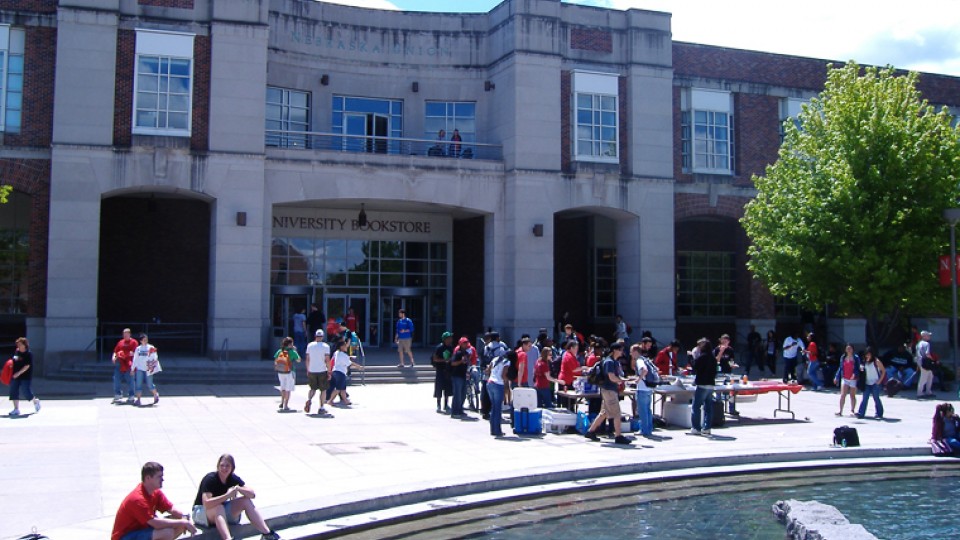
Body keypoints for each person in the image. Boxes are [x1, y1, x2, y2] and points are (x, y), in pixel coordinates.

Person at [193, 454, 280, 540]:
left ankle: (267, 534)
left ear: (232, 468)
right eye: (222, 465)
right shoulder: (210, 479)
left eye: (227, 466)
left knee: (245, 501)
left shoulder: (232, 478)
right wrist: (227, 495)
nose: (224, 468)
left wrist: (238, 488)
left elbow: (252, 494)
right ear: (218, 466)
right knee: (219, 507)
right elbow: (207, 504)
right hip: (201, 512)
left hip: (220, 512)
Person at [111, 461, 196, 540]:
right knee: (167, 533)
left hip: (142, 530)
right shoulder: (137, 499)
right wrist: (182, 522)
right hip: (125, 536)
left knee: (178, 521)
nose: (162, 479)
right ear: (148, 478)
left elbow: (170, 508)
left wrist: (184, 516)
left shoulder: (155, 492)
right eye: (159, 477)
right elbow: (156, 524)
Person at [583, 342, 632, 445]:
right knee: (617, 413)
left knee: (604, 413)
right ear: (614, 350)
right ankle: (618, 436)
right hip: (609, 390)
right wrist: (622, 380)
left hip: (608, 390)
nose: (622, 352)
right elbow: (611, 377)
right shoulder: (609, 362)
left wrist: (622, 379)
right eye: (620, 350)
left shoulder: (612, 361)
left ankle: (590, 431)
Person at [690, 338, 716, 436]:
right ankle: (707, 428)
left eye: (700, 346)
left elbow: (695, 366)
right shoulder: (713, 358)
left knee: (696, 407)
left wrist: (691, 357)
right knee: (708, 408)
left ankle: (696, 428)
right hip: (711, 384)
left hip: (702, 384)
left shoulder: (702, 357)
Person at [8, 337, 40, 416]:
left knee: (26, 391)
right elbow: (13, 361)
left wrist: (18, 373)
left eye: (20, 344)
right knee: (13, 391)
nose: (18, 346)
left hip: (25, 376)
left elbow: (27, 366)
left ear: (24, 345)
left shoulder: (28, 354)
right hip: (15, 375)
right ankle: (16, 409)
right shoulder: (17, 352)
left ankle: (35, 401)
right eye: (17, 344)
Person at [326, 339, 363, 407]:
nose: (347, 347)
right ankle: (330, 400)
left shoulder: (337, 352)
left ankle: (345, 400)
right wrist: (358, 366)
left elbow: (341, 358)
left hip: (335, 371)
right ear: (341, 347)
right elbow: (349, 363)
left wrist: (349, 357)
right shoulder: (343, 355)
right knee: (338, 389)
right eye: (345, 345)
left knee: (343, 388)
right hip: (341, 373)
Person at [480, 331, 508, 419]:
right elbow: (504, 359)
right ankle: (495, 412)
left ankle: (485, 411)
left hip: (487, 372)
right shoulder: (501, 347)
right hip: (497, 374)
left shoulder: (486, 347)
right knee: (497, 394)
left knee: (485, 391)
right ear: (497, 338)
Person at [632, 343, 658, 437]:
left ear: (635, 351)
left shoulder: (639, 360)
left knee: (642, 410)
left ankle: (644, 430)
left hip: (642, 388)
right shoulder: (645, 359)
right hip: (649, 388)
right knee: (648, 410)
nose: (631, 354)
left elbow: (645, 370)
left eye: (632, 352)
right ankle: (649, 428)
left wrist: (638, 379)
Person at [303, 329, 331, 415]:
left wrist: (308, 369)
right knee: (323, 390)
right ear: (322, 336)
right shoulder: (326, 346)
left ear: (315, 336)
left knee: (312, 388)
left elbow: (307, 359)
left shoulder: (310, 345)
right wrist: (329, 371)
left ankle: (309, 399)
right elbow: (327, 360)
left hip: (312, 370)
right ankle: (321, 407)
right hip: (322, 370)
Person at [486, 350, 513, 437]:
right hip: (498, 384)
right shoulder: (507, 362)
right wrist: (507, 382)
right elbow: (503, 376)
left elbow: (488, 370)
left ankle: (492, 429)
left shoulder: (495, 359)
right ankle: (497, 430)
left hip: (490, 383)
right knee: (497, 409)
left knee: (493, 407)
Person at [132, 333, 161, 407]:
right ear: (141, 341)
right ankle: (138, 399)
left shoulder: (150, 347)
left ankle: (155, 394)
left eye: (146, 339)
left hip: (148, 369)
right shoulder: (138, 349)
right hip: (140, 368)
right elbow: (135, 359)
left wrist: (152, 355)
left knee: (150, 384)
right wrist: (132, 369)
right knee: (138, 384)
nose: (145, 341)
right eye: (144, 340)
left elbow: (155, 357)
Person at [857, 347, 885, 419]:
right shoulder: (864, 361)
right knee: (865, 398)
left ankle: (879, 413)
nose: (868, 356)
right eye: (867, 354)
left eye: (869, 354)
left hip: (875, 383)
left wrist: (879, 381)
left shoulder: (876, 361)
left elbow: (883, 371)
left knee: (876, 398)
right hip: (867, 383)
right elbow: (861, 371)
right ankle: (861, 413)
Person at [273, 336, 300, 412]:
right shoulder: (292, 352)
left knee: (282, 387)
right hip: (289, 371)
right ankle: (286, 405)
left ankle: (282, 402)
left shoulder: (279, 351)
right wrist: (295, 351)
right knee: (288, 389)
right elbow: (298, 360)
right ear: (290, 344)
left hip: (281, 371)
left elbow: (275, 360)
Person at [834, 343, 860, 416]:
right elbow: (840, 368)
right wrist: (836, 377)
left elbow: (858, 368)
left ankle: (852, 410)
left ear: (852, 349)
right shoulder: (843, 357)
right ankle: (840, 411)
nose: (848, 350)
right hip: (845, 378)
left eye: (850, 348)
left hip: (853, 379)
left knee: (852, 395)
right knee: (843, 395)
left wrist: (855, 374)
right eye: (847, 348)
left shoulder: (856, 357)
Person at [112, 328, 138, 403]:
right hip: (120, 363)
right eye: (124, 334)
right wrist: (113, 357)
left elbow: (136, 352)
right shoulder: (120, 342)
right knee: (116, 378)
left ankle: (131, 395)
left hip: (129, 363)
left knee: (130, 380)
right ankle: (118, 394)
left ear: (130, 334)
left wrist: (132, 354)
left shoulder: (134, 342)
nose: (125, 335)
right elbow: (115, 351)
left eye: (127, 334)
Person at [449, 337, 472, 417]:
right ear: (461, 344)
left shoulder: (466, 353)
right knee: (457, 394)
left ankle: (460, 409)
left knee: (463, 394)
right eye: (464, 343)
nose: (466, 344)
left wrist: (468, 359)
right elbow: (452, 363)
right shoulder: (457, 353)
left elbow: (468, 363)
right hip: (456, 375)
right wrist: (461, 361)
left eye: (467, 343)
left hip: (463, 375)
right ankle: (454, 411)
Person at [432, 332, 454, 413]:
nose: (450, 339)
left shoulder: (451, 348)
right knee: (439, 387)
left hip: (448, 371)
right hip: (440, 370)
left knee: (448, 388)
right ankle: (438, 404)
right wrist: (444, 360)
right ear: (445, 339)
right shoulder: (439, 348)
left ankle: (446, 405)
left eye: (451, 338)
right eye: (449, 338)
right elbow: (435, 359)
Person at [916, 330, 936, 398]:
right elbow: (927, 354)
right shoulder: (927, 344)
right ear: (924, 336)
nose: (929, 336)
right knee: (923, 378)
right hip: (926, 363)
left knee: (930, 376)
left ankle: (928, 391)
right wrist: (932, 359)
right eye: (928, 335)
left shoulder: (919, 344)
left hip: (920, 362)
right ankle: (920, 393)